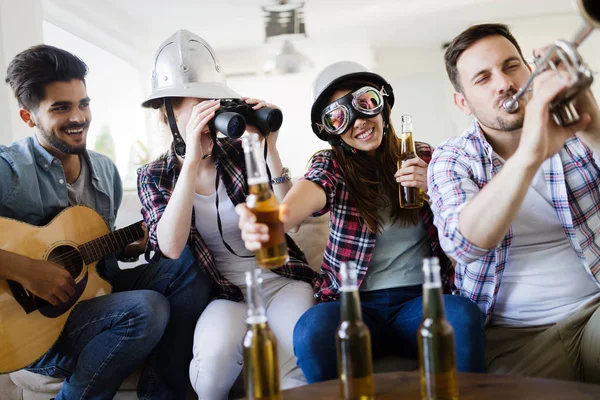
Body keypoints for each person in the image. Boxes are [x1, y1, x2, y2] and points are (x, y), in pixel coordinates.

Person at [237, 61, 486, 383]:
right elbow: (300, 202)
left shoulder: (425, 156)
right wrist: (273, 222)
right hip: (353, 304)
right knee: (311, 329)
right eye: (339, 117)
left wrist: (436, 186)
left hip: (420, 302)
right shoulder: (331, 164)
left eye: (365, 104)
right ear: (331, 130)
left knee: (463, 318)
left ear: (383, 105)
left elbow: (472, 217)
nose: (359, 122)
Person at [0, 44, 212, 399]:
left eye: (83, 103)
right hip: (35, 328)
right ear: (28, 117)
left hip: (94, 303)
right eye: (60, 107)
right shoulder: (8, 170)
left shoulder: (104, 171)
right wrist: (27, 270)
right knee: (146, 308)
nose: (79, 117)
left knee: (185, 264)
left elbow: (96, 263)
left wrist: (128, 246)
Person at [137, 30, 319, 399]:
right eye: (197, 107)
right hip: (226, 294)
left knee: (298, 372)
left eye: (213, 103)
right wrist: (190, 162)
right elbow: (169, 246)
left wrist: (268, 147)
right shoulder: (154, 176)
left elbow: (292, 219)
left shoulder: (240, 154)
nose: (209, 116)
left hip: (281, 281)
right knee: (211, 371)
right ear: (168, 115)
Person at [428, 23, 600, 382]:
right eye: (482, 79)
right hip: (513, 337)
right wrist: (529, 156)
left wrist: (593, 125)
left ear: (530, 71)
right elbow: (463, 245)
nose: (504, 84)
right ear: (463, 103)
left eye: (510, 66)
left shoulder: (575, 132)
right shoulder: (452, 159)